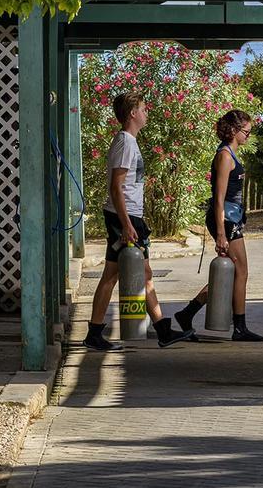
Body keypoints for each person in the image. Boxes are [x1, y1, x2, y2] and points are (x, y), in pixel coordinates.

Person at [84, 93, 195, 351]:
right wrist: (126, 224)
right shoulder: (125, 142)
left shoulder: (129, 142)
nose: (147, 113)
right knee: (117, 275)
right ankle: (99, 333)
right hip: (124, 216)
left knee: (133, 273)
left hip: (129, 216)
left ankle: (160, 329)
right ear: (132, 113)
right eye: (144, 108)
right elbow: (116, 187)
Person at [173, 110, 263, 342]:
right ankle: (239, 328)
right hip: (225, 219)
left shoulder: (231, 154)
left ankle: (187, 314)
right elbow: (218, 197)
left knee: (234, 273)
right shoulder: (225, 156)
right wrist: (221, 233)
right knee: (241, 272)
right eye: (246, 131)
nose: (248, 135)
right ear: (234, 130)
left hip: (232, 218)